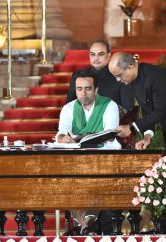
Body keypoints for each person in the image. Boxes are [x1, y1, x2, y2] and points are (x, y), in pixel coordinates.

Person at [56, 70, 121, 235]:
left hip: (104, 157)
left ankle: (86, 222)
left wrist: (83, 138)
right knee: (67, 179)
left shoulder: (109, 105)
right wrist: (63, 137)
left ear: (96, 89)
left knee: (94, 178)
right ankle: (85, 223)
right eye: (79, 89)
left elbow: (108, 134)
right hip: (77, 159)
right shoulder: (69, 108)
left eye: (87, 88)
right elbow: (62, 131)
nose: (83, 93)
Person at [66, 39, 134, 116]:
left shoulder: (120, 75)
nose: (96, 58)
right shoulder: (78, 75)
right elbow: (69, 105)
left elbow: (127, 107)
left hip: (112, 123)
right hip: (82, 123)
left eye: (100, 54)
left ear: (109, 56)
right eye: (92, 54)